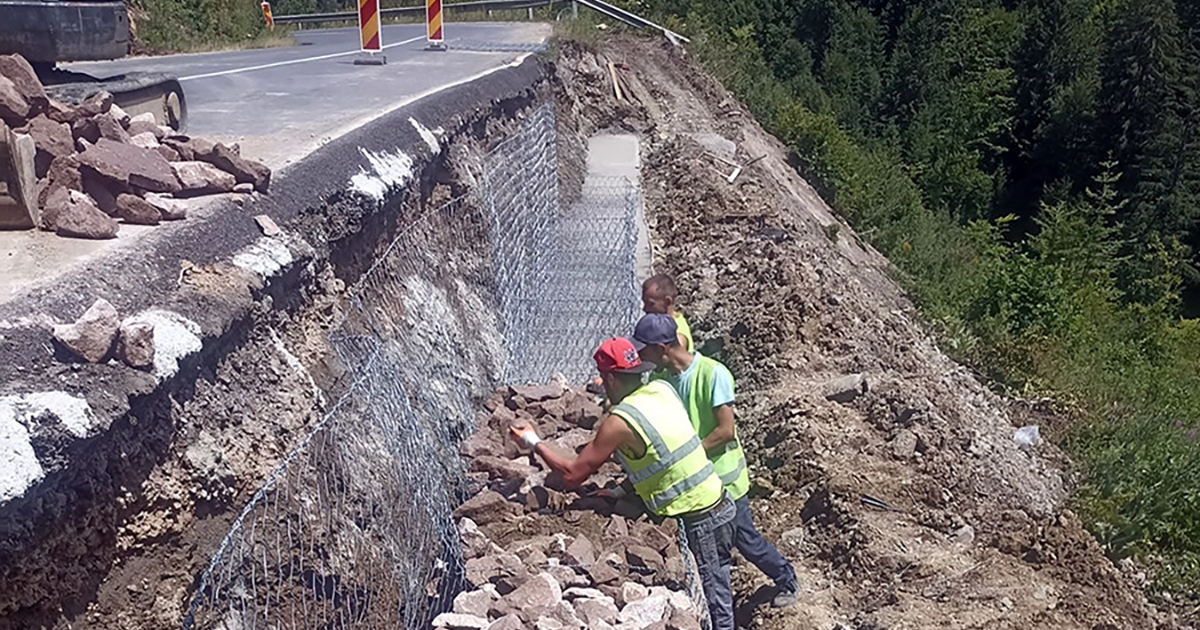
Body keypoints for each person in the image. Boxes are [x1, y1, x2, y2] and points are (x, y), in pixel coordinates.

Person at [509, 338, 736, 630]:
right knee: (719, 590)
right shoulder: (661, 389)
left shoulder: (620, 421)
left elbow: (573, 475)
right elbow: (665, 456)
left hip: (700, 518)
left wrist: (532, 441)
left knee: (715, 606)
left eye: (604, 379)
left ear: (611, 378)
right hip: (719, 502)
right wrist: (623, 489)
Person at [633, 313, 800, 608]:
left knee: (744, 539)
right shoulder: (661, 380)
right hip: (697, 484)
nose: (639, 355)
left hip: (726, 480)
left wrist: (687, 456)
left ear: (662, 348)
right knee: (713, 551)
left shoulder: (713, 373)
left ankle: (786, 577)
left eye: (643, 349)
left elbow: (725, 431)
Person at [642, 274, 693, 352]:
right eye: (644, 303)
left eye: (651, 304)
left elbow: (679, 348)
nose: (645, 309)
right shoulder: (657, 324)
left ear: (667, 301)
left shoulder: (677, 331)